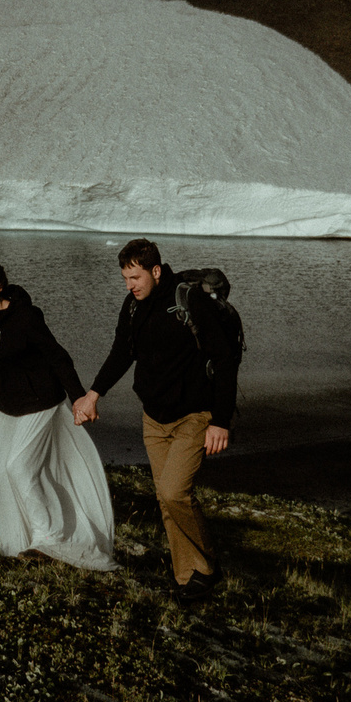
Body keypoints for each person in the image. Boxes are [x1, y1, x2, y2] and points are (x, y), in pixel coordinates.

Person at [74, 238, 238, 602]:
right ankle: (187, 577)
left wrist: (220, 421)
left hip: (195, 416)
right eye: (125, 278)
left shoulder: (189, 301)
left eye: (135, 277)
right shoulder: (133, 307)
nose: (130, 285)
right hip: (154, 417)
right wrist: (94, 393)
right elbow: (122, 352)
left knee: (174, 491)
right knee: (167, 501)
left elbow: (225, 361)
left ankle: (208, 566)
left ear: (156, 270)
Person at [0, 259, 118, 572]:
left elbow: (58, 357)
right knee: (9, 473)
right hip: (8, 405)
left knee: (18, 467)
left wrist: (79, 399)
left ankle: (48, 536)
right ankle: (27, 536)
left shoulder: (25, 317)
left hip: (40, 402)